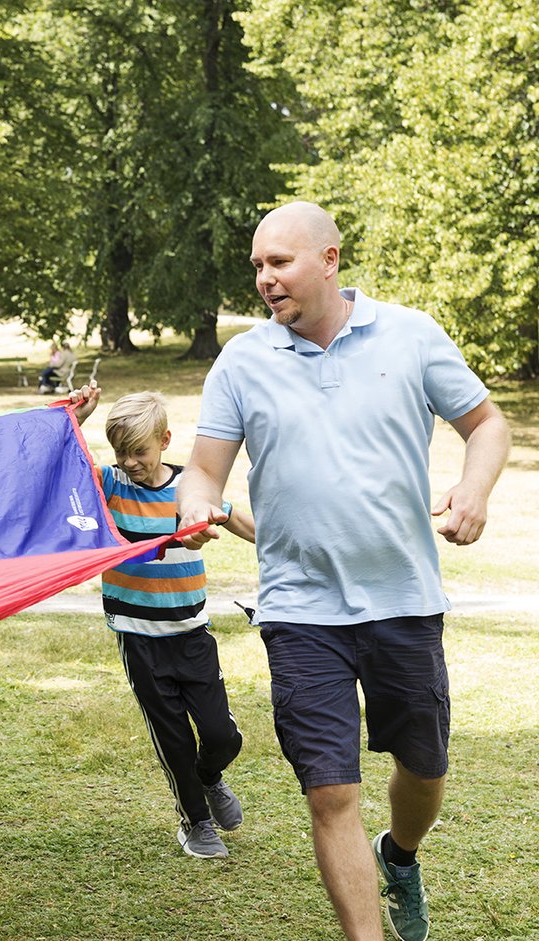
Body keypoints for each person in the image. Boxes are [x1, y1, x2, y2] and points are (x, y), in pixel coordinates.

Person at [177, 202, 510, 940]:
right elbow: (202, 472)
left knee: (424, 768)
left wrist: (474, 489)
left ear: (329, 260)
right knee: (330, 794)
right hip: (299, 610)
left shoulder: (410, 335)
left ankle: (401, 854)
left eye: (280, 262)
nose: (265, 279)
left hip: (403, 598)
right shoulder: (243, 361)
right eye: (257, 266)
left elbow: (487, 423)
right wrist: (198, 505)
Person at [76, 389, 255, 859]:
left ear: (165, 441)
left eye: (139, 451)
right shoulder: (110, 484)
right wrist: (78, 419)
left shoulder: (187, 489)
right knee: (173, 737)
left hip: (192, 632)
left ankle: (209, 776)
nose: (129, 462)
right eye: (121, 452)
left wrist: (286, 546)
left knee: (221, 735)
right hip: (140, 638)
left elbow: (233, 519)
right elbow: (68, 469)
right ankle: (195, 822)